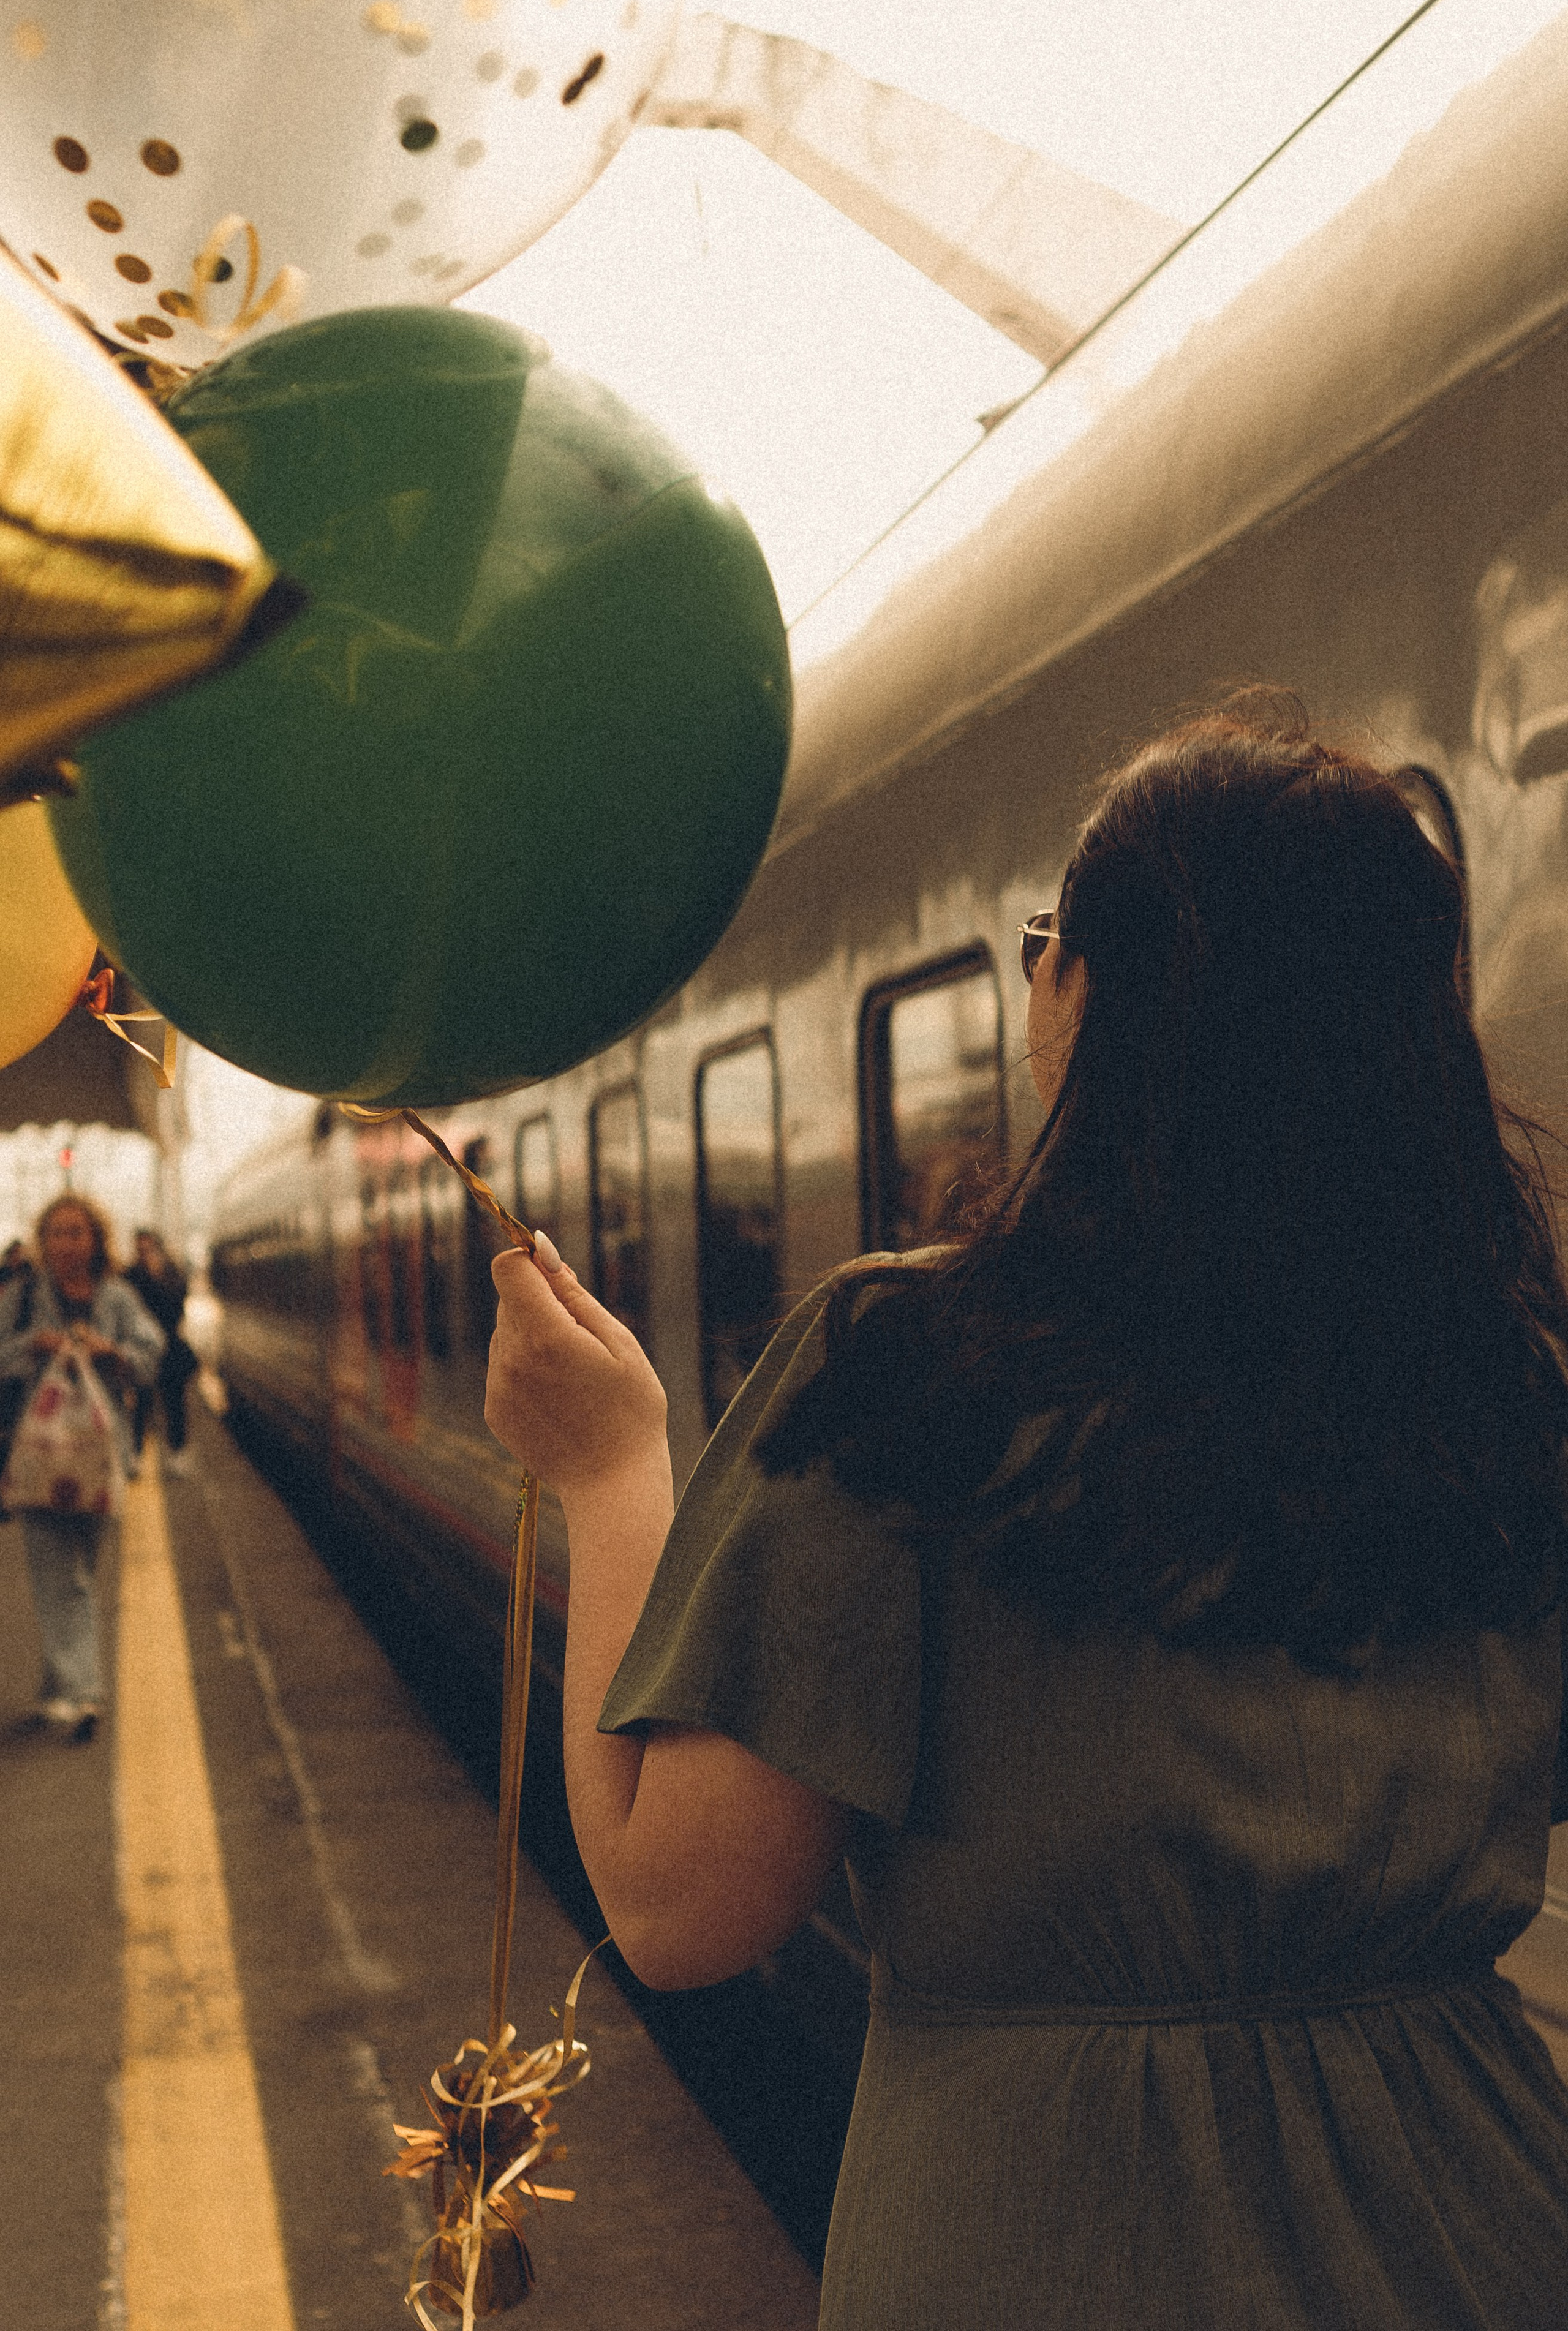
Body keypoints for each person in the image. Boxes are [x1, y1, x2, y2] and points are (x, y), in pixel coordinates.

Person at [484, 702, 1568, 2329]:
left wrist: (611, 1469)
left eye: (1051, 937)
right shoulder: (1502, 1373)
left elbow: (679, 1906)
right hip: (1480, 2220)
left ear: (1102, 992)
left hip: (1051, 2239)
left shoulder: (920, 1365)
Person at [0, 1195, 163, 1743]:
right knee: (60, 1580)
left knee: (80, 1577)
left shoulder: (115, 1298)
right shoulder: (22, 1298)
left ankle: (56, 1689)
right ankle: (85, 1691)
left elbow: (152, 1350)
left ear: (96, 1239)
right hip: (37, 1459)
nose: (68, 1244)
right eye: (58, 1234)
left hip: (97, 1458)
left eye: (78, 1233)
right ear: (43, 1242)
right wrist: (32, 1345)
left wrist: (110, 1351)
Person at [123, 1227, 197, 1477]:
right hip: (141, 1349)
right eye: (140, 1249)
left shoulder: (172, 1274)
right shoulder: (130, 1276)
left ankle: (177, 1453)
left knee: (175, 1403)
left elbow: (177, 1309)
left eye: (149, 1248)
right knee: (139, 1404)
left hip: (170, 1349)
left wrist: (156, 1277)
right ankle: (135, 1455)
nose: (144, 1254)